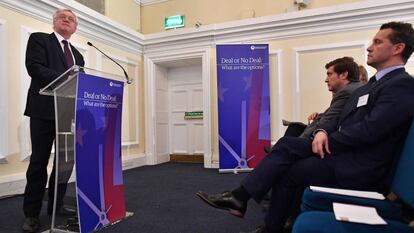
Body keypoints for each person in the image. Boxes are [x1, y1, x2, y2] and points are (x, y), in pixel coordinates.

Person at [196, 21, 414, 233]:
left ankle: (243, 200)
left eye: (377, 42)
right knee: (287, 155)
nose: (369, 47)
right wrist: (321, 131)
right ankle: (251, 209)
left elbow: (371, 130)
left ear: (398, 48)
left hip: (361, 166)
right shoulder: (368, 86)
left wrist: (327, 140)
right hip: (345, 154)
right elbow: (334, 118)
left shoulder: (402, 84)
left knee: (287, 152)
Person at [22, 9, 85, 233]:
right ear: (54, 22)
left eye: (71, 19)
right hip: (43, 111)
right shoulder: (39, 39)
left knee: (64, 163)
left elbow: (80, 84)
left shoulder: (78, 55)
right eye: (62, 17)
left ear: (75, 28)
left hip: (67, 114)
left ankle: (56, 204)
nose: (67, 20)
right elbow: (35, 69)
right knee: (38, 162)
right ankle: (31, 214)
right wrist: (68, 78)